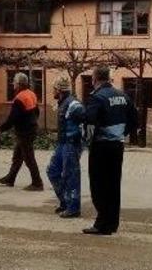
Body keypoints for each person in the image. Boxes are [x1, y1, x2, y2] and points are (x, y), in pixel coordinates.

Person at [82, 66, 138, 236]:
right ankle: (112, 223)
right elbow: (135, 119)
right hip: (117, 146)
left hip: (101, 146)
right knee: (113, 185)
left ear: (95, 79)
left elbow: (89, 123)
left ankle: (101, 224)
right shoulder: (123, 96)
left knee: (99, 185)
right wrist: (121, 133)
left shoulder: (96, 98)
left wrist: (88, 141)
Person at [0, 73, 44, 191]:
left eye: (14, 82)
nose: (13, 84)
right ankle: (10, 178)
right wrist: (32, 122)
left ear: (18, 84)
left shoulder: (19, 98)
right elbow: (37, 111)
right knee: (17, 156)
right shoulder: (31, 94)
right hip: (30, 129)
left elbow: (12, 118)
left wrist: (0, 129)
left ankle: (37, 183)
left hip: (24, 132)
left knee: (28, 158)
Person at [47, 77, 85, 219]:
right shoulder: (64, 103)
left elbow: (85, 120)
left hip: (71, 144)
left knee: (71, 175)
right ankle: (66, 201)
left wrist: (78, 138)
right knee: (52, 171)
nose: (53, 92)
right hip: (63, 143)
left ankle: (73, 207)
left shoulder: (73, 104)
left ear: (60, 90)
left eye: (54, 89)